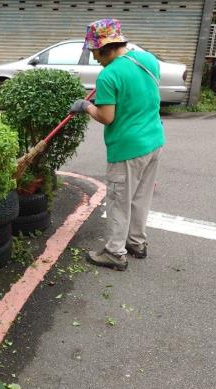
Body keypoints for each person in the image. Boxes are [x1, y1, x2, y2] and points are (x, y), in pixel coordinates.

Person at [69, 19, 164, 271]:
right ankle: (136, 243)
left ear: (106, 47)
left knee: (119, 201)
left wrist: (85, 106)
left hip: (127, 149)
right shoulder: (148, 60)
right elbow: (138, 93)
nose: (93, 57)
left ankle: (114, 253)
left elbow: (106, 117)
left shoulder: (109, 75)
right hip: (154, 141)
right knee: (141, 198)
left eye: (94, 52)